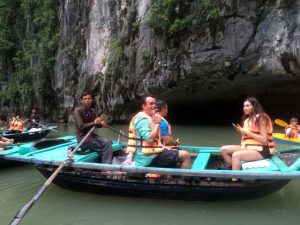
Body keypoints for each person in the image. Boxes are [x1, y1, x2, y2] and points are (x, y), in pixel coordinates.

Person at [126, 96, 191, 169]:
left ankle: (172, 176)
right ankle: (184, 180)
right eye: (151, 104)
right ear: (144, 106)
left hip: (152, 153)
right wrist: (157, 123)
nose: (154, 105)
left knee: (176, 154)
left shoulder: (150, 118)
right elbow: (150, 139)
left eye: (155, 104)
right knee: (186, 155)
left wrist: (164, 148)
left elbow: (156, 142)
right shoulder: (142, 120)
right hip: (147, 158)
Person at [220, 97, 275, 179]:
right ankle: (235, 170)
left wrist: (246, 132)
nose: (244, 108)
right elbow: (249, 137)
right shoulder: (247, 120)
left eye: (247, 106)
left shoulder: (261, 118)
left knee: (236, 155)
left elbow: (264, 140)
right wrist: (242, 132)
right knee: (223, 149)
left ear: (254, 106)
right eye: (243, 106)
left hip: (263, 149)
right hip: (249, 147)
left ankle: (234, 180)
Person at [74, 92, 113, 164]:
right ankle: (106, 168)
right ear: (81, 101)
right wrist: (94, 123)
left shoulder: (92, 111)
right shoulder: (77, 112)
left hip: (91, 136)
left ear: (92, 100)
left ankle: (105, 164)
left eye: (89, 99)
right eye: (85, 99)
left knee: (108, 142)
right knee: (105, 147)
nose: (87, 100)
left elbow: (96, 124)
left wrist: (102, 124)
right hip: (83, 139)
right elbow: (81, 127)